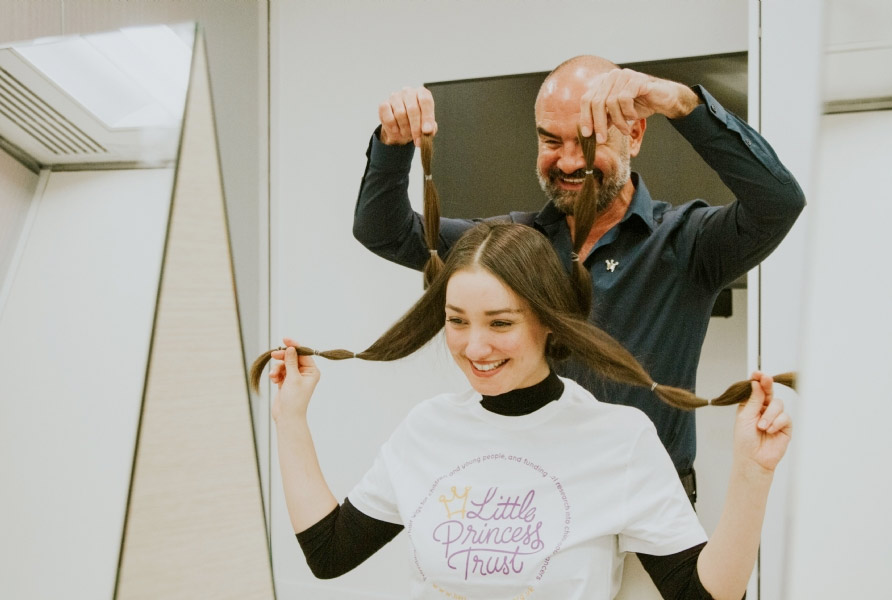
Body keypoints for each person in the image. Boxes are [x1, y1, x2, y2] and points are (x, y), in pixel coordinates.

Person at [255, 221, 792, 600]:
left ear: (548, 322)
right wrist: (290, 418)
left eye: (501, 322)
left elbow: (703, 597)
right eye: (457, 320)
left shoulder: (617, 438)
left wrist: (753, 474)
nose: (474, 346)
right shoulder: (427, 429)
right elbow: (330, 555)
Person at [351, 55, 806, 502]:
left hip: (647, 511)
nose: (568, 162)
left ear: (634, 134)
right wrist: (394, 144)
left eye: (587, 142)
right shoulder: (507, 245)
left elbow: (779, 202)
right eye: (551, 141)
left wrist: (683, 104)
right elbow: (384, 232)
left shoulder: (688, 244)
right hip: (533, 505)